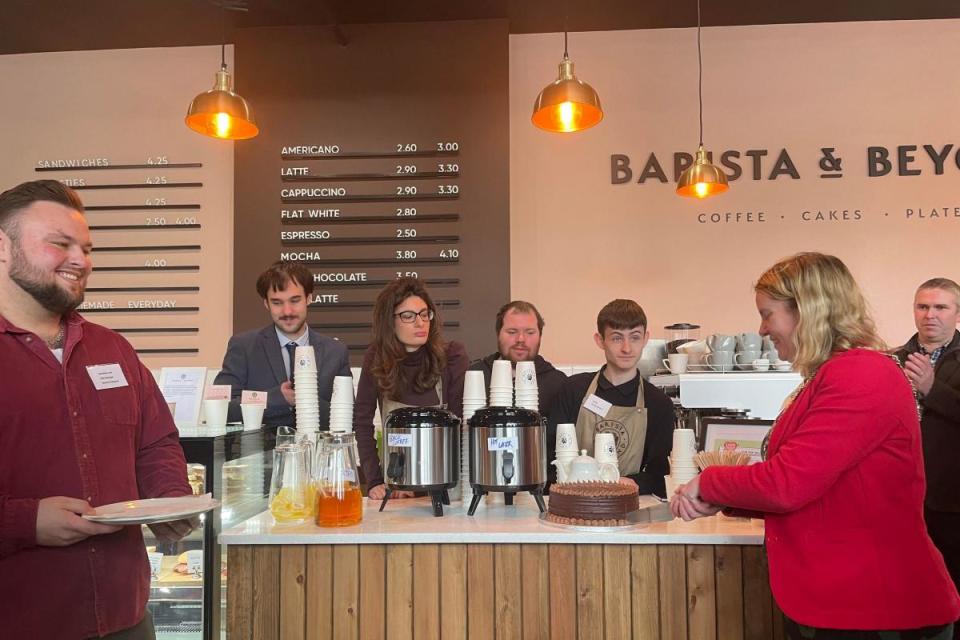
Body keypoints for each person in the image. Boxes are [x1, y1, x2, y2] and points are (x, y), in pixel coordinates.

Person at [671, 253, 960, 639]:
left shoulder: (861, 374)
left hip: (877, 608)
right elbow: (818, 484)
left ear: (806, 311)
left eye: (768, 314)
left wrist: (709, 483)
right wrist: (725, 497)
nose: (761, 330)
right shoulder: (841, 372)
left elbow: (787, 483)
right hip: (851, 605)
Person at [0, 180, 193, 639]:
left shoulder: (113, 349)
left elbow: (156, 441)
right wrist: (24, 522)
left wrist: (169, 496)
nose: (80, 261)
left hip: (127, 618)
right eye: (59, 244)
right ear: (2, 249)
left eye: (86, 249)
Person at [354, 277, 468, 499]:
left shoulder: (452, 356)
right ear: (390, 321)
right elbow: (362, 421)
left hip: (444, 486)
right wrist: (376, 480)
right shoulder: (376, 358)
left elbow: (461, 426)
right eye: (408, 316)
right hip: (397, 487)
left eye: (425, 314)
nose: (420, 323)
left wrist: (451, 484)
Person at [547, 299, 673, 496]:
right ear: (600, 340)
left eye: (635, 337)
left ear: (646, 338)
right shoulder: (573, 390)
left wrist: (626, 483)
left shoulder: (658, 403)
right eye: (616, 338)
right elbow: (549, 457)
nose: (627, 348)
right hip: (574, 502)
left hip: (632, 505)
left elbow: (660, 475)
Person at [895, 277, 960, 638]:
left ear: (957, 313)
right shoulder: (891, 359)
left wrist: (932, 389)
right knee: (911, 593)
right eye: (923, 307)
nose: (930, 315)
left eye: (940, 307)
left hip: (953, 501)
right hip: (901, 499)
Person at [214, 261, 351, 427]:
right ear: (266, 303)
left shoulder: (335, 352)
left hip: (318, 450)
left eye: (294, 301)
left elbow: (351, 415)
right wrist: (277, 399)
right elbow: (221, 408)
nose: (287, 311)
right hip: (261, 452)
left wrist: (307, 401)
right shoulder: (244, 347)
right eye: (277, 303)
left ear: (309, 298)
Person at [468, 300, 567, 419]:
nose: (521, 339)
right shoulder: (475, 375)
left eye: (530, 332)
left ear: (540, 336)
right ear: (498, 333)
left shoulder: (558, 383)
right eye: (512, 332)